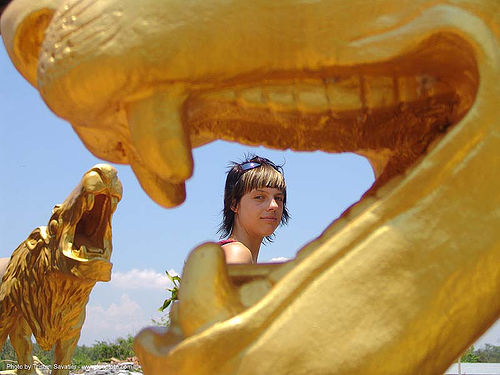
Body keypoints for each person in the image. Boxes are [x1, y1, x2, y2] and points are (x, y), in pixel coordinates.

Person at [218, 155, 290, 264]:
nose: (274, 205)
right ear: (234, 204)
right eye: (259, 197)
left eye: (278, 198)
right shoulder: (237, 253)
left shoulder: (229, 253)